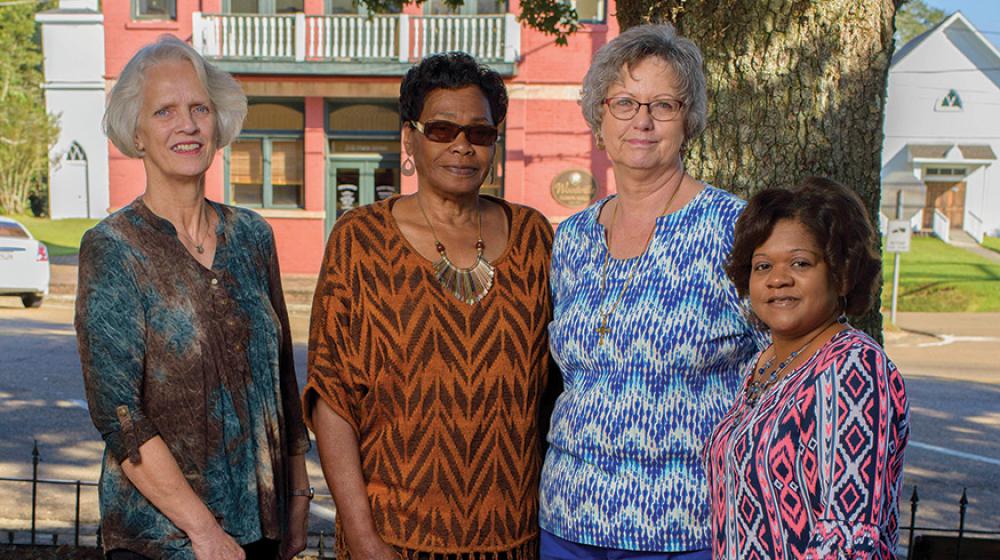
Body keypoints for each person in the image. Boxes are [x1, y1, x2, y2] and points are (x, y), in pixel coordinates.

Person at [303, 52, 554, 559]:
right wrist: (365, 538)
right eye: (441, 129)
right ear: (409, 139)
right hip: (394, 536)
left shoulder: (534, 237)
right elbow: (332, 400)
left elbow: (556, 387)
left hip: (515, 537)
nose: (462, 145)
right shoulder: (360, 240)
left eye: (480, 133)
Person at [75, 35, 311, 560]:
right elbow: (121, 418)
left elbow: (284, 384)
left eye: (199, 107)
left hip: (261, 531)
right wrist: (205, 534)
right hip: (163, 541)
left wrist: (298, 494)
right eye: (165, 111)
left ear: (217, 123)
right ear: (136, 134)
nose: (188, 124)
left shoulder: (253, 236)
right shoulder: (114, 248)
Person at [539, 24, 764, 559]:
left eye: (663, 104)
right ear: (599, 119)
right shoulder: (572, 239)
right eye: (624, 102)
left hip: (686, 527)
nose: (642, 120)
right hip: (567, 519)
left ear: (689, 121)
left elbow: (782, 367)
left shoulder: (735, 229)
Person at [705, 177, 909, 559]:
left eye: (800, 263)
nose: (778, 279)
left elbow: (847, 540)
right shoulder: (766, 361)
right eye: (762, 266)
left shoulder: (853, 368)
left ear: (842, 274)